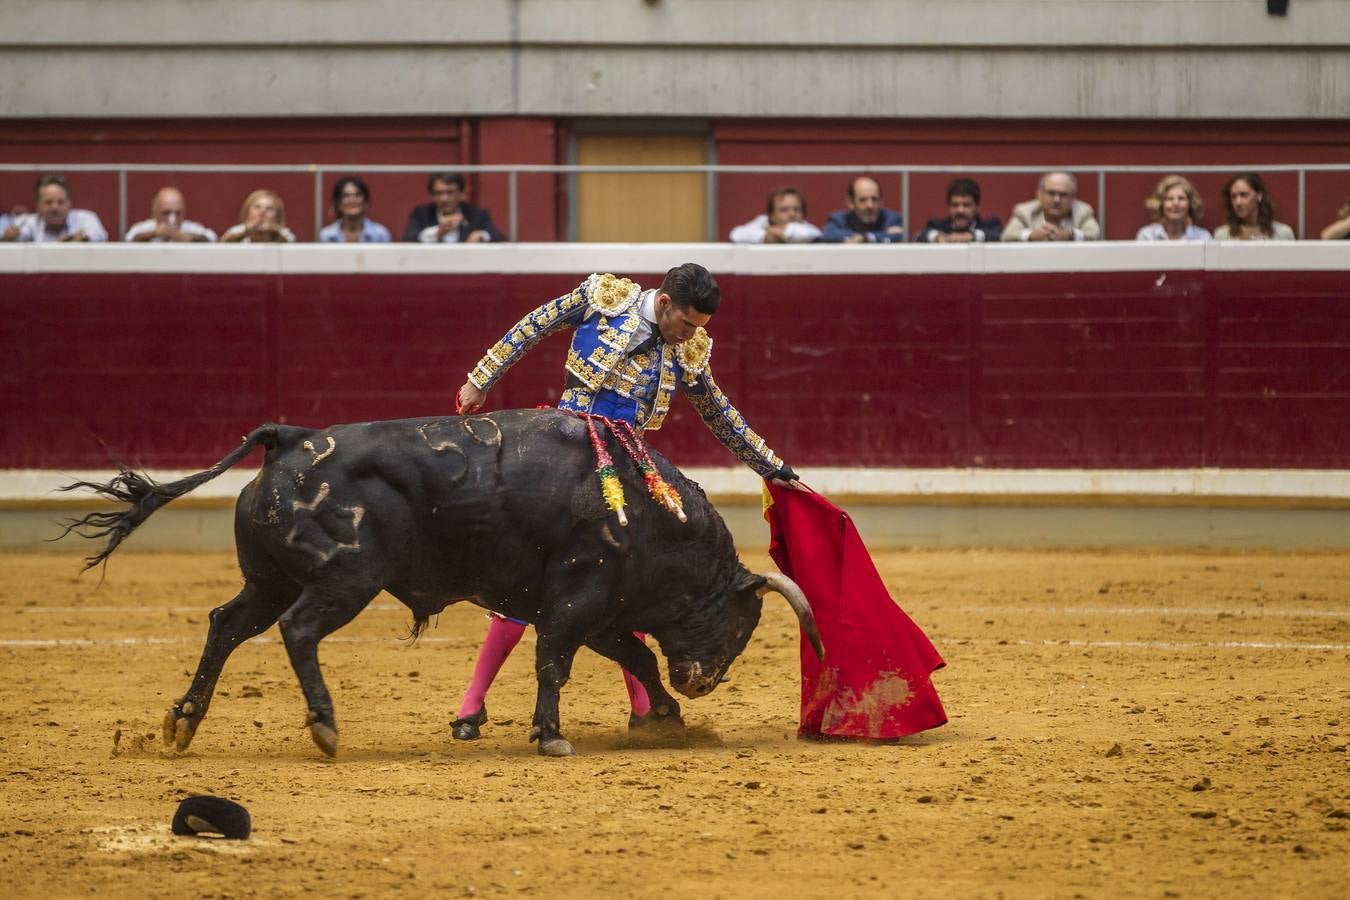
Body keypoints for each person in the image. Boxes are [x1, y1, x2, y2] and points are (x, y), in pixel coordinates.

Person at [451, 263, 801, 740]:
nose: (690, 335)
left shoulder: (689, 349)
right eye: (686, 324)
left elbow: (720, 414)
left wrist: (773, 468)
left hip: (625, 468)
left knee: (624, 578)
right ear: (663, 304)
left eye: (699, 328)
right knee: (527, 577)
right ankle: (471, 705)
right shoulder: (603, 298)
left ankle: (644, 707)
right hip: (564, 455)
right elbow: (533, 326)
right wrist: (482, 378)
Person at [0, 174, 107, 243]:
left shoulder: (85, 217)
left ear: (69, 203)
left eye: (60, 202)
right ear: (38, 205)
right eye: (48, 202)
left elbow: (99, 235)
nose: (55, 207)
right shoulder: (27, 221)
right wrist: (7, 239)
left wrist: (83, 238)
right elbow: (17, 236)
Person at [402, 172, 505, 243]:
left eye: (450, 192)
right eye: (438, 193)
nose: (444, 199)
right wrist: (437, 232)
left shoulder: (476, 214)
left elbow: (498, 236)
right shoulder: (421, 214)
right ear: (432, 196)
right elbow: (408, 239)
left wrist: (482, 235)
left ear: (461, 194)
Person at [1001, 172, 1101, 242]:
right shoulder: (1024, 211)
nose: (1057, 200)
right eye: (1051, 193)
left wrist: (1071, 235)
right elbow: (1007, 235)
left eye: (1063, 195)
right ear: (1039, 195)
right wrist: (1031, 236)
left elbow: (1094, 234)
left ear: (1073, 198)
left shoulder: (1083, 211)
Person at [913, 177, 1003, 243]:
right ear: (948, 207)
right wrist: (938, 237)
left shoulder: (990, 225)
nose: (960, 210)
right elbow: (919, 235)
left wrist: (971, 236)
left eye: (966, 205)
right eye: (955, 205)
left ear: (977, 207)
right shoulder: (937, 225)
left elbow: (1000, 235)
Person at [821, 176, 905, 243]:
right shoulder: (839, 219)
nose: (870, 205)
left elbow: (897, 236)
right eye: (863, 200)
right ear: (851, 203)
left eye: (874, 199)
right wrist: (868, 237)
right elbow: (829, 235)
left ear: (882, 201)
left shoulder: (891, 219)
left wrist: (866, 237)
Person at [1213, 173, 1295, 241]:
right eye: (1233, 196)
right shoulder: (1222, 235)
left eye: (1244, 195)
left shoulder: (1283, 233)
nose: (1238, 202)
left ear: (1259, 195)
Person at [728, 186, 822, 243]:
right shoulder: (763, 221)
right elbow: (736, 235)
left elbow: (814, 235)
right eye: (784, 209)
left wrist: (779, 232)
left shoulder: (807, 227)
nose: (792, 214)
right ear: (771, 215)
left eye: (797, 209)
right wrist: (765, 236)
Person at [1134, 175, 1211, 242]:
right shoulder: (1147, 236)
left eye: (1181, 198)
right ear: (1161, 204)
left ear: (1190, 204)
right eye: (1169, 199)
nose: (1176, 203)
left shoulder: (1203, 237)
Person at [124, 187, 217, 243]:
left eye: (178, 213)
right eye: (166, 213)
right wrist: (154, 234)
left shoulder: (190, 228)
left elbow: (212, 239)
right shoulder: (144, 228)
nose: (172, 218)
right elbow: (129, 240)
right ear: (155, 212)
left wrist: (190, 238)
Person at [318, 177, 392, 243]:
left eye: (358, 195)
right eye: (346, 196)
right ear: (338, 203)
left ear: (365, 202)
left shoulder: (380, 235)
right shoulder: (326, 236)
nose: (353, 200)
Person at [219, 190, 295, 243]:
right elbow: (221, 246)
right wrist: (247, 231)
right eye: (257, 207)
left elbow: (290, 244)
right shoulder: (237, 230)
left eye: (269, 208)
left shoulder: (283, 233)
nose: (262, 212)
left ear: (277, 215)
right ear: (248, 211)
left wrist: (274, 232)